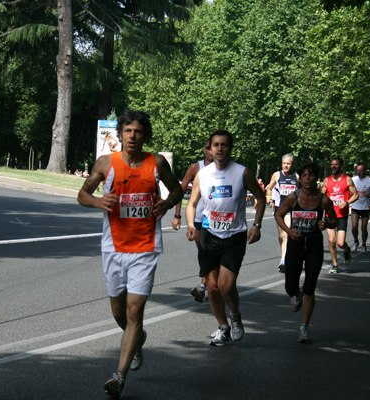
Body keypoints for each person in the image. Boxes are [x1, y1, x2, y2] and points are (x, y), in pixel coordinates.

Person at [77, 110, 183, 399]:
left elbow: (177, 189)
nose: (132, 136)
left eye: (137, 131)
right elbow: (81, 195)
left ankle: (119, 376)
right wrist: (98, 200)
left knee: (135, 311)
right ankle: (137, 338)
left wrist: (167, 203)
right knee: (119, 312)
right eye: (127, 131)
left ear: (144, 135)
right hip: (113, 246)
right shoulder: (106, 163)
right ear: (120, 135)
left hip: (146, 247)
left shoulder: (156, 162)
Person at [186, 130, 266, 346]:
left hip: (234, 236)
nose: (220, 149)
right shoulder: (202, 174)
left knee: (226, 286)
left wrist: (257, 225)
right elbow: (192, 203)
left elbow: (260, 196)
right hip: (209, 236)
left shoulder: (242, 173)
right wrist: (191, 224)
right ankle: (223, 327)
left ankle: (236, 316)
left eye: (224, 145)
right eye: (216, 145)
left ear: (230, 148)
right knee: (211, 288)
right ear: (210, 149)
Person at [274, 162, 338, 343]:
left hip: (314, 244)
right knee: (290, 287)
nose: (308, 178)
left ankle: (304, 328)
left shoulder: (324, 200)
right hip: (296, 243)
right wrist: (289, 231)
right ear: (300, 178)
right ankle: (295, 294)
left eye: (311, 175)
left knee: (310, 286)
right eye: (304, 175)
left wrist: (326, 224)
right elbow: (278, 215)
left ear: (316, 178)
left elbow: (334, 220)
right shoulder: (293, 198)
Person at [171, 140, 213, 302]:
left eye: (215, 146)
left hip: (217, 219)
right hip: (198, 218)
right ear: (204, 150)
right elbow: (179, 192)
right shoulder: (196, 168)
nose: (212, 150)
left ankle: (204, 287)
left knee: (210, 253)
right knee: (204, 252)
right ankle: (207, 285)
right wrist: (177, 215)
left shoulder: (225, 168)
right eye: (209, 147)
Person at [321, 158, 358, 274]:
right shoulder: (327, 181)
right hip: (330, 215)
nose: (333, 166)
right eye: (332, 165)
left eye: (336, 165)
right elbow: (321, 197)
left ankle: (346, 250)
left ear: (341, 166)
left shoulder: (347, 179)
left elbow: (356, 195)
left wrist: (346, 202)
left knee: (340, 243)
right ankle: (335, 264)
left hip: (342, 215)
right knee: (331, 241)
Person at [265, 154, 298, 272]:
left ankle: (283, 259)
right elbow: (269, 187)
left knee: (286, 233)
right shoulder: (277, 175)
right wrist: (269, 196)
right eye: (284, 163)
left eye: (288, 163)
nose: (286, 165)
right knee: (281, 235)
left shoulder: (296, 177)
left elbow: (302, 191)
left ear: (292, 164)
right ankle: (284, 253)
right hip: (279, 209)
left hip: (291, 209)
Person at [350, 164, 370, 254]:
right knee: (354, 226)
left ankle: (364, 245)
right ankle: (355, 241)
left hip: (365, 207)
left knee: (363, 228)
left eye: (361, 170)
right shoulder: (353, 179)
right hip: (355, 206)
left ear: (365, 171)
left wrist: (369, 195)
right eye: (357, 170)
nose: (359, 172)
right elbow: (347, 190)